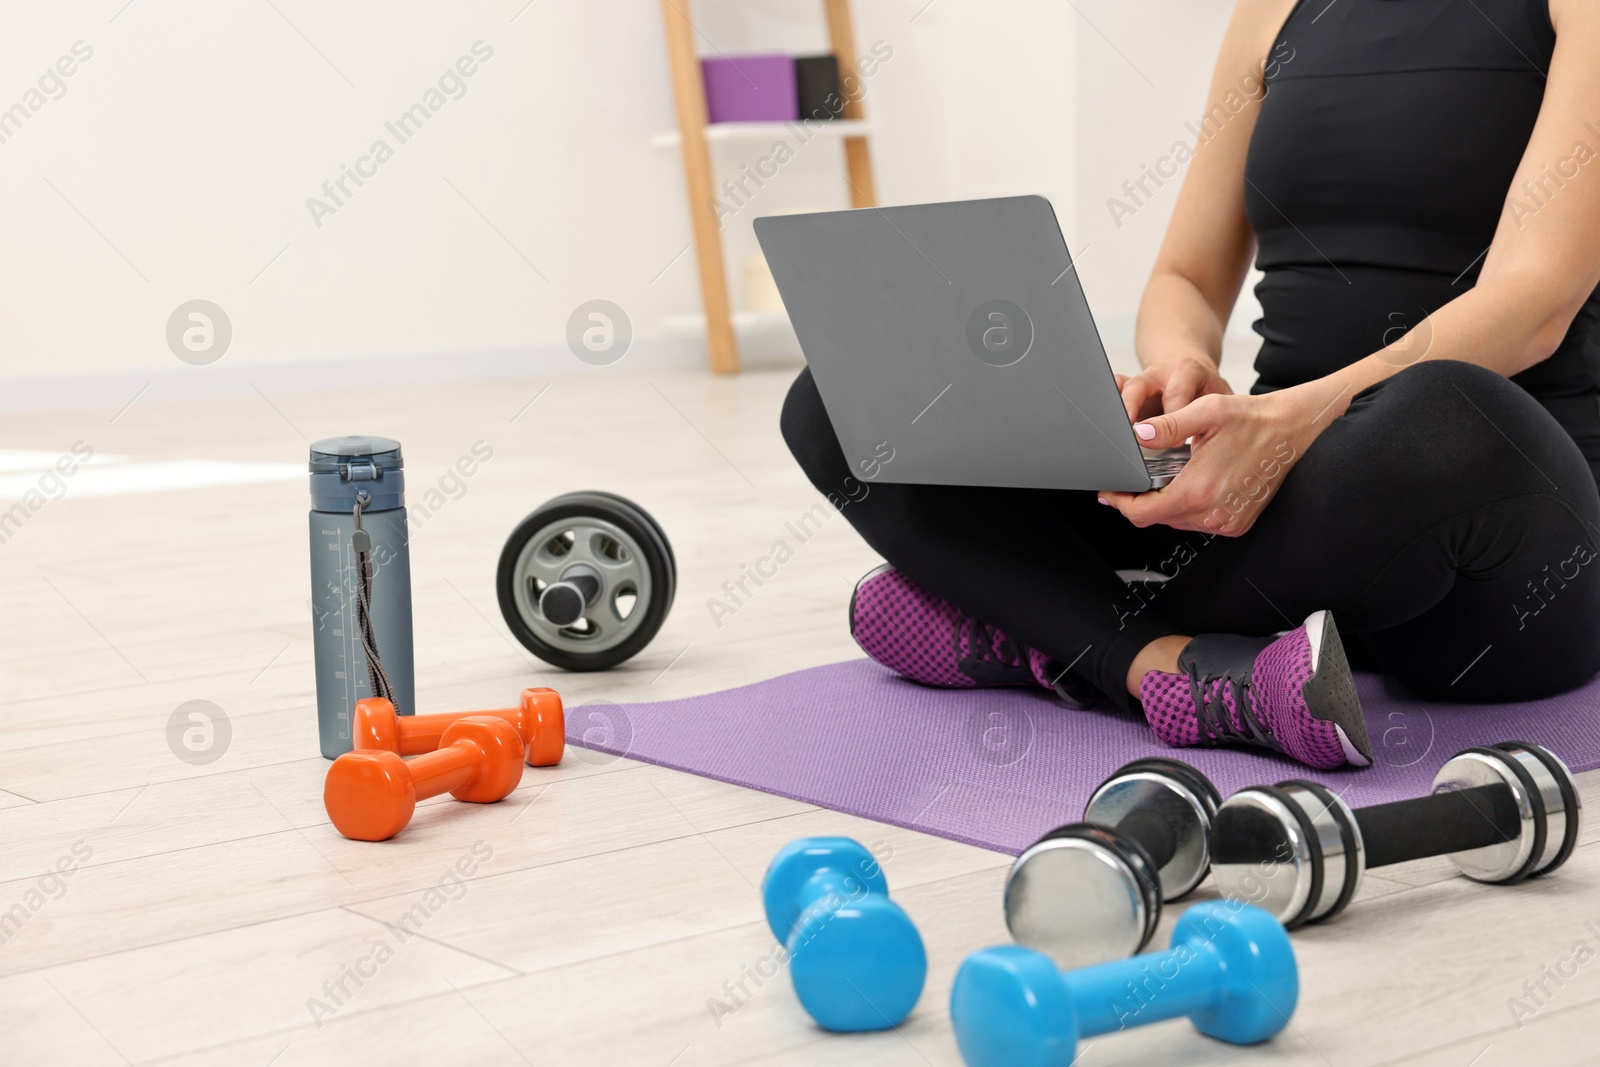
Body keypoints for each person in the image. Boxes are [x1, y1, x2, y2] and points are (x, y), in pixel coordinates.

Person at [780, 0, 1600, 769]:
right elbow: (1186, 276)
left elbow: (1535, 301)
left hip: (1492, 541)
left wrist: (1291, 422)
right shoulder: (1273, 10)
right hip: (1276, 513)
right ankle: (1160, 666)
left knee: (1448, 414)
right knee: (846, 396)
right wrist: (1181, 369)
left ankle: (1040, 625)